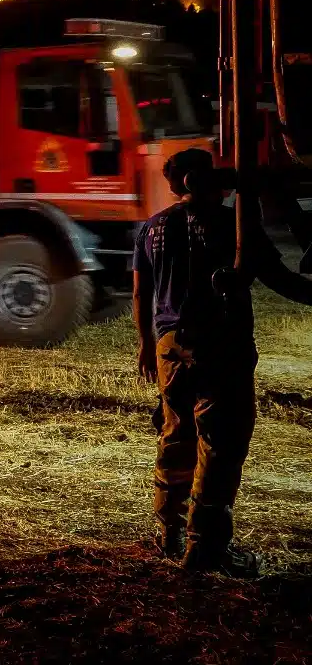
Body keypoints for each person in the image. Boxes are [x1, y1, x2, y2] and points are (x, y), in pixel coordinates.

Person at [133, 147, 312, 576]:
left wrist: (146, 344)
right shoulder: (234, 224)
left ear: (174, 183)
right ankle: (206, 547)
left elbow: (142, 292)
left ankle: (169, 533)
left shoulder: (152, 228)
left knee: (176, 436)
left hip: (170, 348)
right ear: (206, 179)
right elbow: (279, 278)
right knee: (220, 443)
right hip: (220, 345)